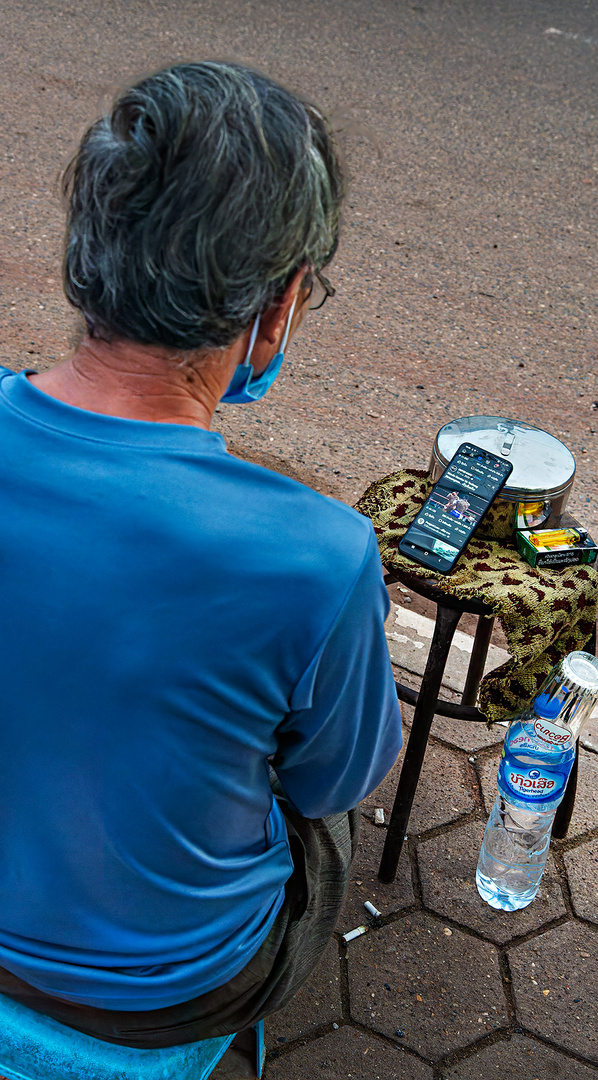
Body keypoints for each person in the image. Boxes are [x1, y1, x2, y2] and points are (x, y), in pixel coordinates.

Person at [0, 61, 402, 1047]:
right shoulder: (317, 556)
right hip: (165, 988)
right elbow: (332, 783)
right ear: (278, 306)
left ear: (88, 253)